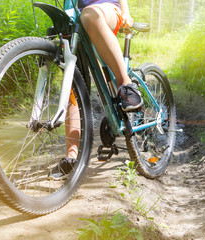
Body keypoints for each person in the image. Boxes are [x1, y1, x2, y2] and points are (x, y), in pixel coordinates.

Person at [48, 0, 143, 180]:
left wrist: (126, 11)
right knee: (72, 85)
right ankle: (71, 156)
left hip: (106, 8)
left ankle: (126, 83)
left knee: (90, 15)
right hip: (75, 16)